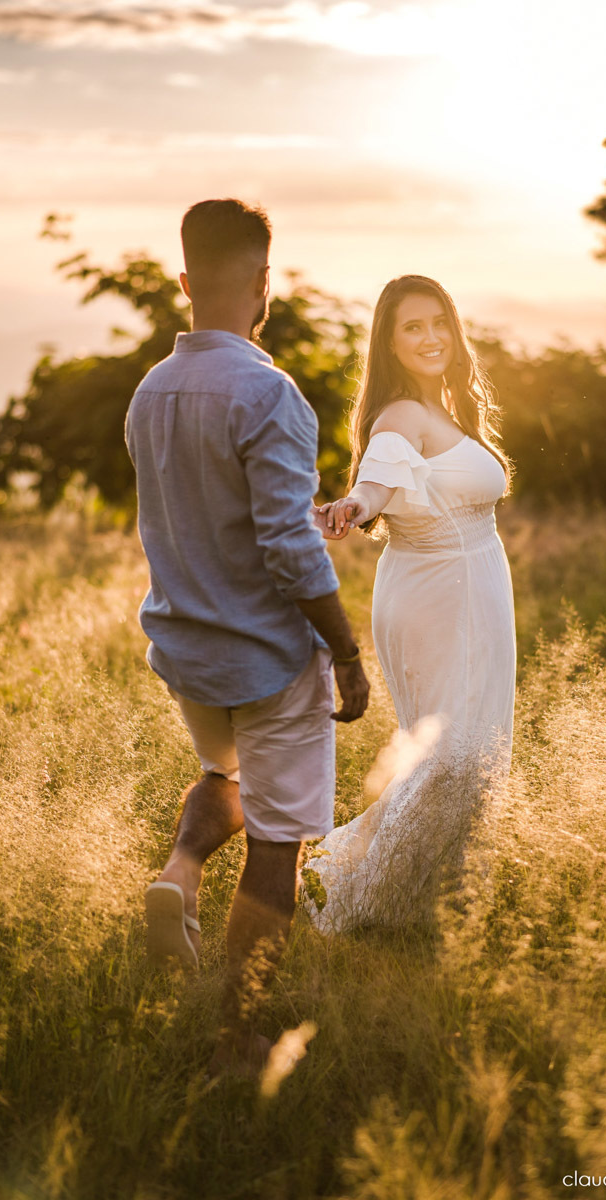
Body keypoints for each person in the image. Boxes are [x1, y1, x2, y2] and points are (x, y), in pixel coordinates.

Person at [124, 198, 369, 1076]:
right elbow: (285, 549)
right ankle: (236, 1040)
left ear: (184, 281)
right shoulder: (270, 392)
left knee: (222, 773)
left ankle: (179, 873)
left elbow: (208, 511)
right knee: (279, 842)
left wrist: (288, 519)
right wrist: (343, 650)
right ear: (263, 282)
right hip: (266, 659)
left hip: (188, 658)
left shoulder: (151, 391)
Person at [306, 274, 516, 934]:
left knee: (461, 758)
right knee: (451, 758)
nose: (429, 338)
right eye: (411, 328)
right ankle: (358, 905)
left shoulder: (446, 413)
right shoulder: (400, 416)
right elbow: (378, 479)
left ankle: (401, 897)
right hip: (437, 598)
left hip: (467, 590)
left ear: (454, 331)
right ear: (390, 345)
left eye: (438, 323)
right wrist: (354, 505)